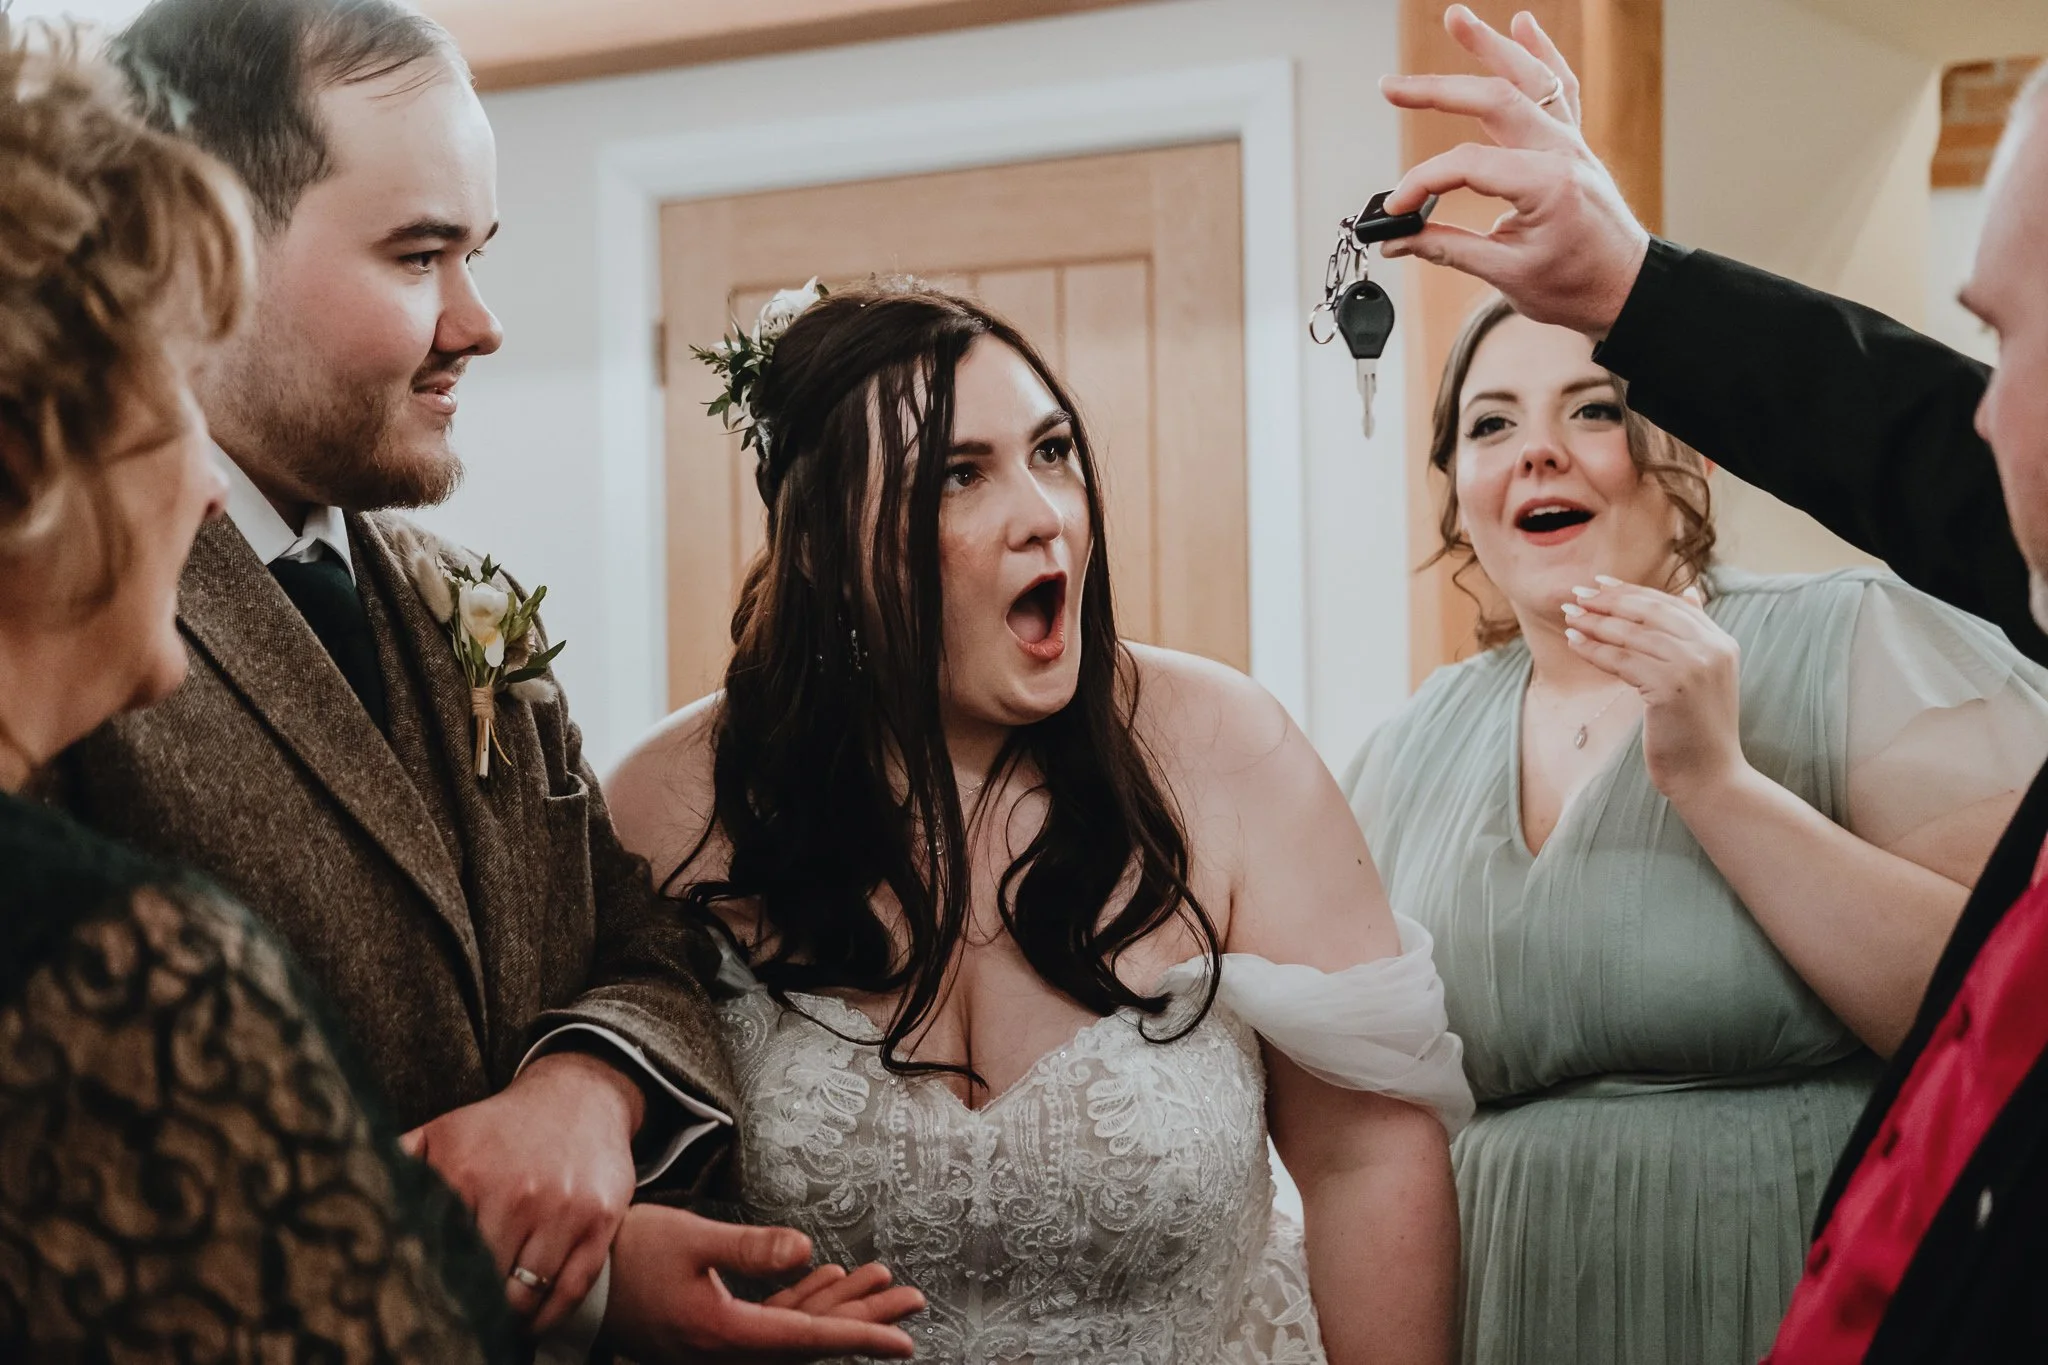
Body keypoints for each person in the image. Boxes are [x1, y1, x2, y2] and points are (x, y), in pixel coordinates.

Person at [49, 0, 921, 1358]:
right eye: (419, 254)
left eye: (478, 252)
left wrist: (585, 1086)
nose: (481, 321)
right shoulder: (70, 613)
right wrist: (571, 1285)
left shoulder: (468, 602)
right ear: (201, 247)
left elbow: (641, 941)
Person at [607, 278, 1473, 1365]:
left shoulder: (1229, 753)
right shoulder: (671, 803)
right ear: (822, 545)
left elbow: (1365, 1159)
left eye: (1052, 452)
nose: (1044, 513)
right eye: (959, 476)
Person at [1379, 6, 2048, 1360]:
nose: (1540, 456)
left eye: (1596, 408)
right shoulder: (1406, 750)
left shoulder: (1846, 638)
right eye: (1492, 426)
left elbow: (1996, 1019)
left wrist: (1720, 783)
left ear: (1674, 454)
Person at [0, 22, 511, 1360]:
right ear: (30, 453)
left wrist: (592, 1092)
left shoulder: (454, 598)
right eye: (167, 378)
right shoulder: (127, 966)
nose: (207, 478)